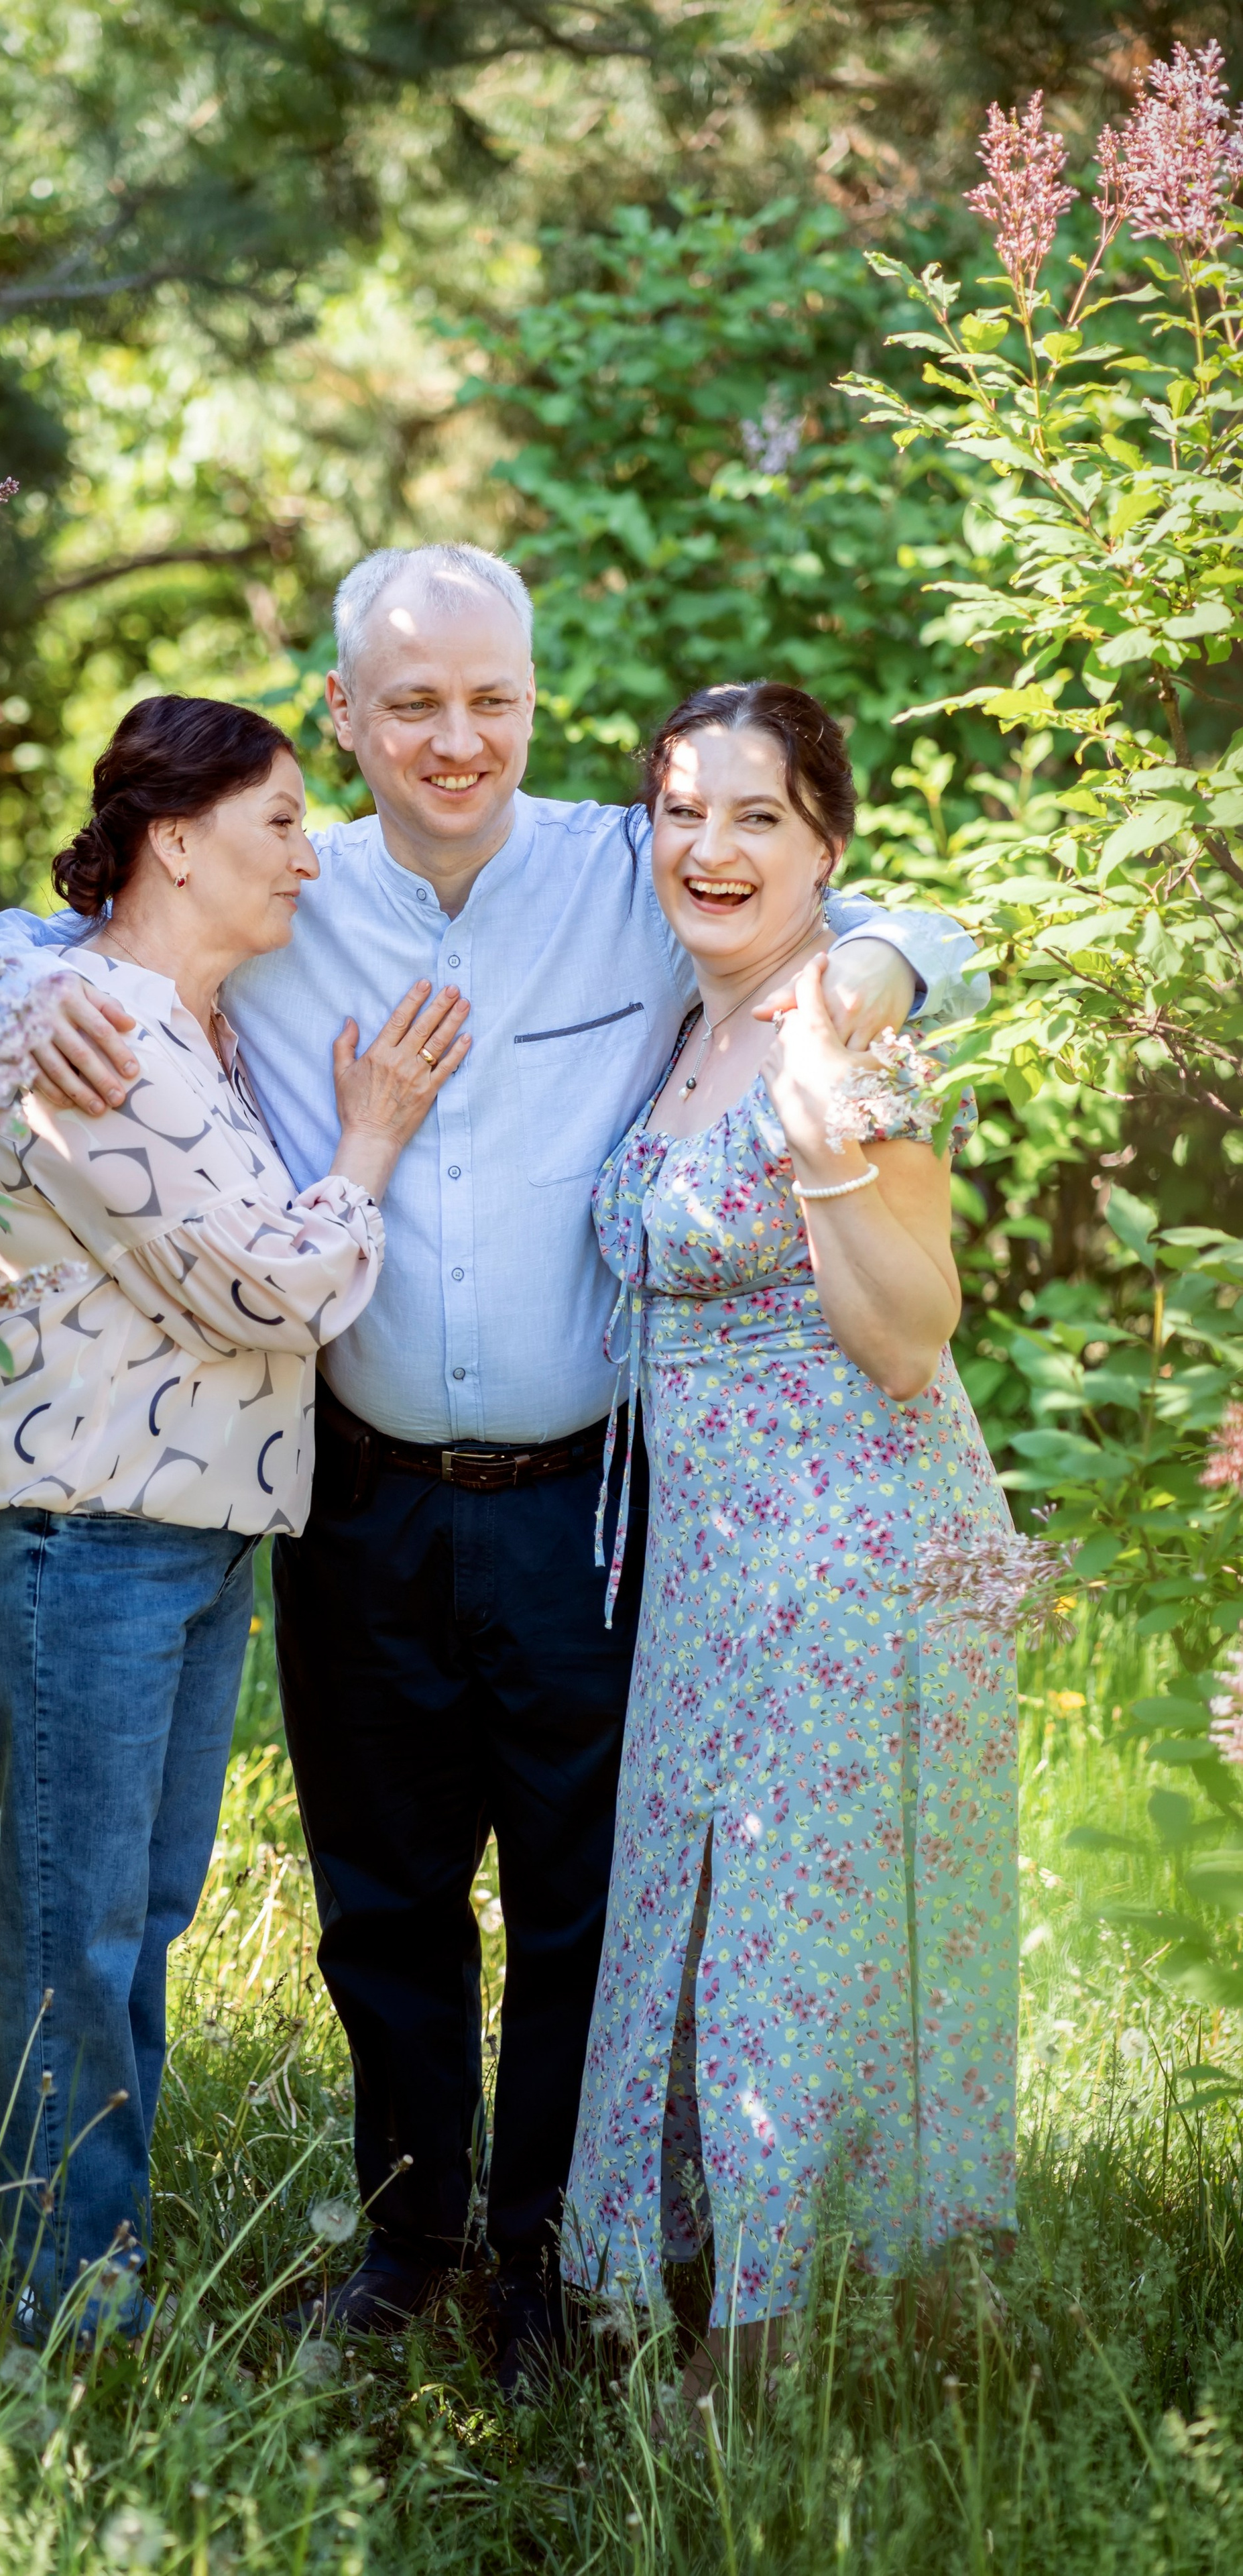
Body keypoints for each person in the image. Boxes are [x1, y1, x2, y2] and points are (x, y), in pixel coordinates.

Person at [0, 544, 985, 2391]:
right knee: (383, 1898)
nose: (455, 737)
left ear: (536, 700)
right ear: (343, 714)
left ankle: (546, 2266)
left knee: (583, 1904)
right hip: (353, 1488)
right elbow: (77, 919)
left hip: (591, 1500)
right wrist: (8, 966)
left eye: (491, 699)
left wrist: (885, 973)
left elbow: (874, 898)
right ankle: (409, 2243)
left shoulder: (630, 870)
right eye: (411, 702)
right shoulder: (281, 883)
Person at [0, 693, 469, 2346]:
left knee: (124, 1923)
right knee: (75, 1935)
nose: (311, 855)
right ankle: (69, 2306)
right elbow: (276, 1285)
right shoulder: (103, 1023)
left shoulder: (164, 1019)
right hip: (74, 1537)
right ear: (176, 840)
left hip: (170, 1542)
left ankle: (95, 2272)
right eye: (282, 823)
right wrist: (373, 1140)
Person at [562, 683, 1016, 2390]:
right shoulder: (690, 1021)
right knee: (709, 1912)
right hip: (710, 1564)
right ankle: (685, 2294)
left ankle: (762, 2354)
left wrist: (825, 1126)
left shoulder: (837, 1026)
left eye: (756, 816)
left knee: (789, 1921)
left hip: (851, 1545)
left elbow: (907, 1335)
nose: (709, 846)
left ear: (824, 842)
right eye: (680, 811)